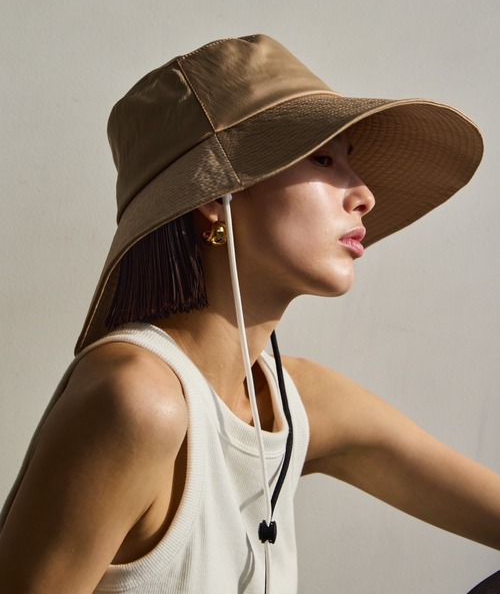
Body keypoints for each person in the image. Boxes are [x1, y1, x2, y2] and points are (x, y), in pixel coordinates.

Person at [0, 34, 498, 593]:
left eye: (350, 162)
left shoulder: (295, 403)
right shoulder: (139, 401)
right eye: (324, 158)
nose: (365, 196)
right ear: (216, 196)